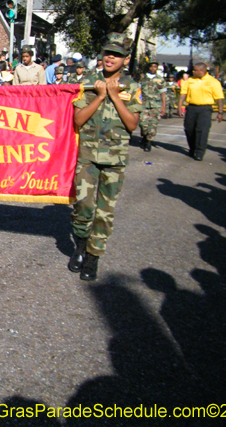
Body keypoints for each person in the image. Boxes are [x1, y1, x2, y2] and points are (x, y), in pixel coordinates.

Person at [68, 33, 142, 281]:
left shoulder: (131, 87)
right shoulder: (88, 82)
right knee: (83, 205)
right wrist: (100, 95)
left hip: (115, 158)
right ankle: (79, 248)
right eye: (108, 53)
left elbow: (132, 124)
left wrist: (113, 95)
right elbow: (78, 120)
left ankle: (93, 257)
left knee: (105, 212)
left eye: (118, 55)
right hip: (88, 155)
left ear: (126, 59)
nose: (111, 57)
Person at [178, 63, 224, 161]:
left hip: (205, 109)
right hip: (191, 108)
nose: (193, 72)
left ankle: (199, 152)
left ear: (202, 71)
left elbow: (219, 98)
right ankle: (192, 148)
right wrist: (179, 106)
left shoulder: (213, 82)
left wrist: (220, 112)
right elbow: (183, 94)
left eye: (195, 70)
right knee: (189, 129)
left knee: (202, 131)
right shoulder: (190, 80)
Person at [139, 61, 167, 152]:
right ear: (149, 68)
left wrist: (163, 106)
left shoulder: (160, 79)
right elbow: (138, 92)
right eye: (151, 67)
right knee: (143, 124)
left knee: (153, 124)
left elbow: (163, 93)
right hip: (144, 104)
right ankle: (145, 136)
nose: (153, 68)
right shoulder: (142, 78)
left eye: (155, 67)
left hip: (156, 105)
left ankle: (148, 142)